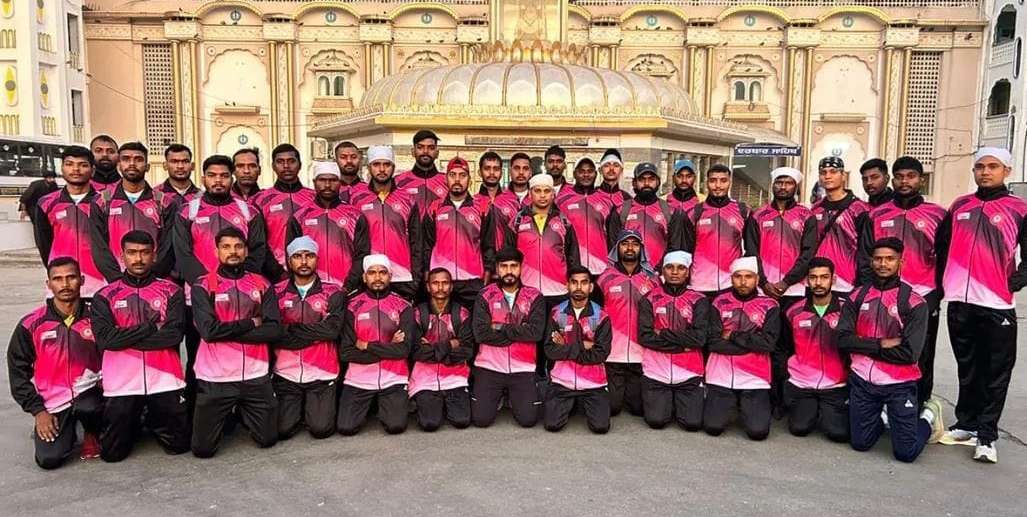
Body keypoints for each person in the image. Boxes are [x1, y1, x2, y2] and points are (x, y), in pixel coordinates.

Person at [936, 147, 1027, 463]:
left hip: (995, 304)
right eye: (980, 167)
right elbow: (942, 246)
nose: (985, 172)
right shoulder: (960, 206)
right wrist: (943, 283)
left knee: (995, 371)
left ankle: (986, 436)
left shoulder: (1018, 209)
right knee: (968, 366)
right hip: (960, 301)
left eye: (992, 166)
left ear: (1006, 171)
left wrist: (1012, 282)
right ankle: (966, 423)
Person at [837, 237, 943, 463]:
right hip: (863, 382)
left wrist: (861, 344)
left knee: (906, 453)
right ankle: (884, 417)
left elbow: (909, 354)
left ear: (900, 262)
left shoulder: (915, 302)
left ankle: (928, 416)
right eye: (878, 259)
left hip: (899, 384)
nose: (883, 264)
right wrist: (879, 344)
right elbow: (842, 340)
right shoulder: (856, 296)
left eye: (890, 259)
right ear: (871, 261)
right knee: (860, 443)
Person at [91, 231, 189, 462]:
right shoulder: (105, 295)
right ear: (122, 256)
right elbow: (106, 340)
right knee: (112, 455)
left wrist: (123, 338)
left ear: (154, 255)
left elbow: (173, 336)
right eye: (132, 253)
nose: (138, 259)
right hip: (122, 384)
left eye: (145, 253)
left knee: (180, 446)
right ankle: (137, 419)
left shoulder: (171, 291)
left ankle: (151, 418)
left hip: (164, 380)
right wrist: (151, 327)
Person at [857, 156, 946, 411]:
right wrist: (868, 291)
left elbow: (946, 255)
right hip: (883, 294)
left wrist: (937, 293)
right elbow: (865, 256)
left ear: (921, 180)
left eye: (910, 176)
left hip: (924, 294)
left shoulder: (938, 214)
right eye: (900, 177)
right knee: (883, 345)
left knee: (921, 352)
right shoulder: (877, 214)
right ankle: (884, 404)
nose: (904, 181)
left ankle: (919, 404)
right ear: (892, 180)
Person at [189, 227, 281, 457]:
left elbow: (273, 330)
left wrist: (225, 332)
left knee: (268, 440)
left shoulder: (262, 283)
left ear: (246, 250)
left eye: (238, 246)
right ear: (216, 251)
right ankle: (226, 416)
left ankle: (242, 413)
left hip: (255, 375)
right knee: (202, 450)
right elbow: (208, 332)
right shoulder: (202, 285)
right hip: (216, 378)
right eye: (226, 247)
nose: (233, 251)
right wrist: (251, 323)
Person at [8, 257, 103, 469]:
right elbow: (17, 374)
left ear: (82, 280)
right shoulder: (31, 324)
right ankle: (65, 429)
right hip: (54, 402)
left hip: (93, 396)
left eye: (71, 277)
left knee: (91, 410)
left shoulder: (98, 316)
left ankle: (92, 431)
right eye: (58, 279)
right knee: (49, 459)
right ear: (49, 284)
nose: (65, 284)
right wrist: (38, 411)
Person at [745, 166, 817, 415]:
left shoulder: (806, 216)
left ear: (795, 186)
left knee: (791, 346)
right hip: (764, 293)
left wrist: (786, 282)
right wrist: (764, 282)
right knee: (766, 345)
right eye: (779, 182)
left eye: (788, 183)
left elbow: (808, 254)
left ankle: (789, 400)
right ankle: (768, 398)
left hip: (794, 292)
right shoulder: (758, 215)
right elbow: (751, 251)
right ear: (773, 185)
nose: (783, 187)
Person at [273, 237, 346, 440]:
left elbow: (332, 331)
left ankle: (310, 410)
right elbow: (274, 332)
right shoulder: (276, 292)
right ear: (289, 261)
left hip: (322, 373)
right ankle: (298, 411)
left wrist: (291, 329)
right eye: (297, 256)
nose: (304, 261)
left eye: (309, 256)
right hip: (286, 374)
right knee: (282, 430)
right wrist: (316, 333)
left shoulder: (334, 292)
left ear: (317, 259)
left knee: (321, 429)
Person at [337, 255, 415, 435]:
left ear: (390, 276)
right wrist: (389, 347)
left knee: (396, 427)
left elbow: (404, 350)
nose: (377, 277)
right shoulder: (351, 306)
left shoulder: (403, 306)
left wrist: (366, 346)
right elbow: (346, 352)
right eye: (372, 273)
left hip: (394, 377)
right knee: (346, 428)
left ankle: (385, 407)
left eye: (382, 272)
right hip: (358, 379)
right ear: (364, 277)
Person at [704, 257, 779, 440]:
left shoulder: (770, 305)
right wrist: (752, 345)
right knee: (713, 428)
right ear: (731, 279)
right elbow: (713, 342)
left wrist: (732, 335)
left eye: (748, 276)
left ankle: (745, 406)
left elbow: (768, 344)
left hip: (754, 377)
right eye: (738, 276)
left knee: (758, 433)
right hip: (721, 375)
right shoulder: (718, 302)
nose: (743, 282)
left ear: (757, 279)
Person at [470, 247, 546, 428]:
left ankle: (512, 397)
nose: (509, 271)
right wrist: (520, 331)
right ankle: (499, 396)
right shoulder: (485, 295)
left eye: (514, 266)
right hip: (489, 367)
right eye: (504, 266)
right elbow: (480, 333)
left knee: (528, 420)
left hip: (523, 368)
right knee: (481, 420)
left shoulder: (534, 296)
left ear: (521, 268)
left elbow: (536, 333)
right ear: (497, 269)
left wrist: (498, 327)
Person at [637, 251, 711, 431]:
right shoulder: (649, 298)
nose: (675, 272)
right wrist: (683, 345)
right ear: (663, 271)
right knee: (656, 421)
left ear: (688, 272)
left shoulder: (699, 300)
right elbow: (645, 337)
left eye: (681, 268)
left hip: (689, 374)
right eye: (670, 267)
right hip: (656, 373)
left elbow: (699, 338)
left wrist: (662, 333)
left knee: (692, 424)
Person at [782, 257, 849, 442]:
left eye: (824, 277)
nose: (818, 283)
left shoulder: (847, 310)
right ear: (806, 280)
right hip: (803, 383)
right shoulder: (793, 311)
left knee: (839, 434)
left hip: (836, 384)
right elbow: (784, 347)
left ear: (833, 279)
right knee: (799, 428)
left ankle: (827, 411)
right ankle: (810, 408)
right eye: (813, 277)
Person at [90, 141, 175, 281]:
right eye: (126, 159)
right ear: (118, 165)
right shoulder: (102, 201)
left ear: (147, 167)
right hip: (115, 281)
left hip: (154, 281)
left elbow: (168, 246)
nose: (132, 164)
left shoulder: (164, 202)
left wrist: (152, 278)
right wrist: (117, 279)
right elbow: (99, 247)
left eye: (138, 159)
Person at [595, 230, 659, 416]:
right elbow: (595, 313)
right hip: (613, 355)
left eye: (635, 244)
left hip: (641, 355)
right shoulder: (604, 278)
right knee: (613, 408)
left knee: (639, 409)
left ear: (641, 249)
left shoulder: (653, 280)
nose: (630, 248)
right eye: (625, 243)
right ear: (617, 248)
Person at [543, 266, 613, 434]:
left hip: (593, 383)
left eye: (584, 283)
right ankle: (572, 403)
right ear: (567, 285)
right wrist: (582, 346)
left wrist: (565, 349)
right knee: (552, 425)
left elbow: (600, 354)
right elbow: (550, 351)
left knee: (601, 427)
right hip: (562, 382)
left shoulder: (601, 316)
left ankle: (580, 403)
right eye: (574, 282)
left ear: (591, 287)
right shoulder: (556, 313)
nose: (579, 287)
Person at [348, 145, 423, 299]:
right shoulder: (356, 198)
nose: (382, 169)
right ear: (369, 167)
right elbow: (351, 241)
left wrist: (416, 277)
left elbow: (416, 241)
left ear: (393, 167)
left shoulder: (407, 199)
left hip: (402, 277)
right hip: (369, 276)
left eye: (386, 164)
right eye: (376, 164)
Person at [33, 145, 107, 298]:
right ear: (62, 168)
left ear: (93, 170)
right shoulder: (46, 203)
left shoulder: (105, 202)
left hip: (100, 283)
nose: (76, 169)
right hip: (63, 283)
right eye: (69, 164)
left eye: (83, 165)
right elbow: (44, 244)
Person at [424, 156, 497, 307]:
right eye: (452, 175)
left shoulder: (482, 207)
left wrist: (488, 271)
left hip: (472, 279)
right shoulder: (434, 208)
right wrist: (426, 272)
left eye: (462, 175)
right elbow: (426, 244)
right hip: (442, 280)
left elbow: (488, 244)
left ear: (469, 180)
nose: (457, 180)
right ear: (446, 179)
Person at [286, 162, 369, 293]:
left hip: (347, 289)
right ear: (314, 182)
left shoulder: (355, 215)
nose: (327, 185)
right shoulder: (300, 216)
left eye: (333, 180)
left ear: (340, 182)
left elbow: (362, 254)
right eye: (322, 180)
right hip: (311, 291)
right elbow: (291, 255)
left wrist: (348, 286)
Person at [409, 268, 474, 432]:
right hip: (425, 378)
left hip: (455, 376)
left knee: (462, 421)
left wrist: (431, 348)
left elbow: (467, 350)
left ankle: (445, 400)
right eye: (435, 283)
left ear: (451, 287)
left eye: (445, 283)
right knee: (429, 424)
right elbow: (416, 352)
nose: (440, 288)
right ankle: (431, 402)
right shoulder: (418, 314)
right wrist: (451, 344)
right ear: (428, 287)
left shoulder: (462, 313)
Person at [506, 173, 581, 310]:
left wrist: (574, 283)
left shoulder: (564, 222)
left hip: (558, 290)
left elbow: (573, 256)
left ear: (553, 194)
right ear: (530, 194)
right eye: (537, 191)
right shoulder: (517, 221)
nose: (542, 195)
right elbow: (508, 255)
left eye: (547, 191)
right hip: (526, 290)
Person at [684, 164, 753, 296]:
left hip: (731, 284)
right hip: (700, 283)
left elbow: (750, 249)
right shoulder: (694, 212)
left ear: (730, 182)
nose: (718, 185)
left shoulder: (743, 210)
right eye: (713, 181)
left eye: (723, 180)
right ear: (706, 183)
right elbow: (686, 249)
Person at [252, 144, 316, 280]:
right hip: (274, 274)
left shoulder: (314, 197)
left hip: (312, 271)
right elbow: (258, 241)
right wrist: (278, 272)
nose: (286, 166)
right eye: (280, 162)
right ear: (273, 166)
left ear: (300, 165)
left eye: (291, 161)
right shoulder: (260, 200)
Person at [607, 162, 687, 268]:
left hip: (659, 273)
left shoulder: (670, 211)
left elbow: (674, 247)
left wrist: (659, 270)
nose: (646, 183)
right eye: (642, 179)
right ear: (634, 183)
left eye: (651, 179)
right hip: (629, 273)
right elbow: (614, 247)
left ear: (658, 182)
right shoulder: (621, 211)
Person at [810, 156, 870, 294]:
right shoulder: (815, 209)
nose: (827, 176)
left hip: (848, 283)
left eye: (833, 171)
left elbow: (866, 250)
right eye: (823, 172)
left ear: (843, 176)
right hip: (818, 282)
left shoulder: (859, 209)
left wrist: (862, 284)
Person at [556, 156, 615, 277]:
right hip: (573, 267)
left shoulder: (606, 200)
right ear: (574, 174)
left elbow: (612, 236)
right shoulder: (562, 200)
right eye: (582, 171)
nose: (586, 175)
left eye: (590, 171)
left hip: (601, 267)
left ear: (596, 174)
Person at [396, 129, 447, 218]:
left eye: (431, 148)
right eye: (420, 147)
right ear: (413, 151)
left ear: (437, 153)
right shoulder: (398, 182)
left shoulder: (447, 181)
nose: (425, 151)